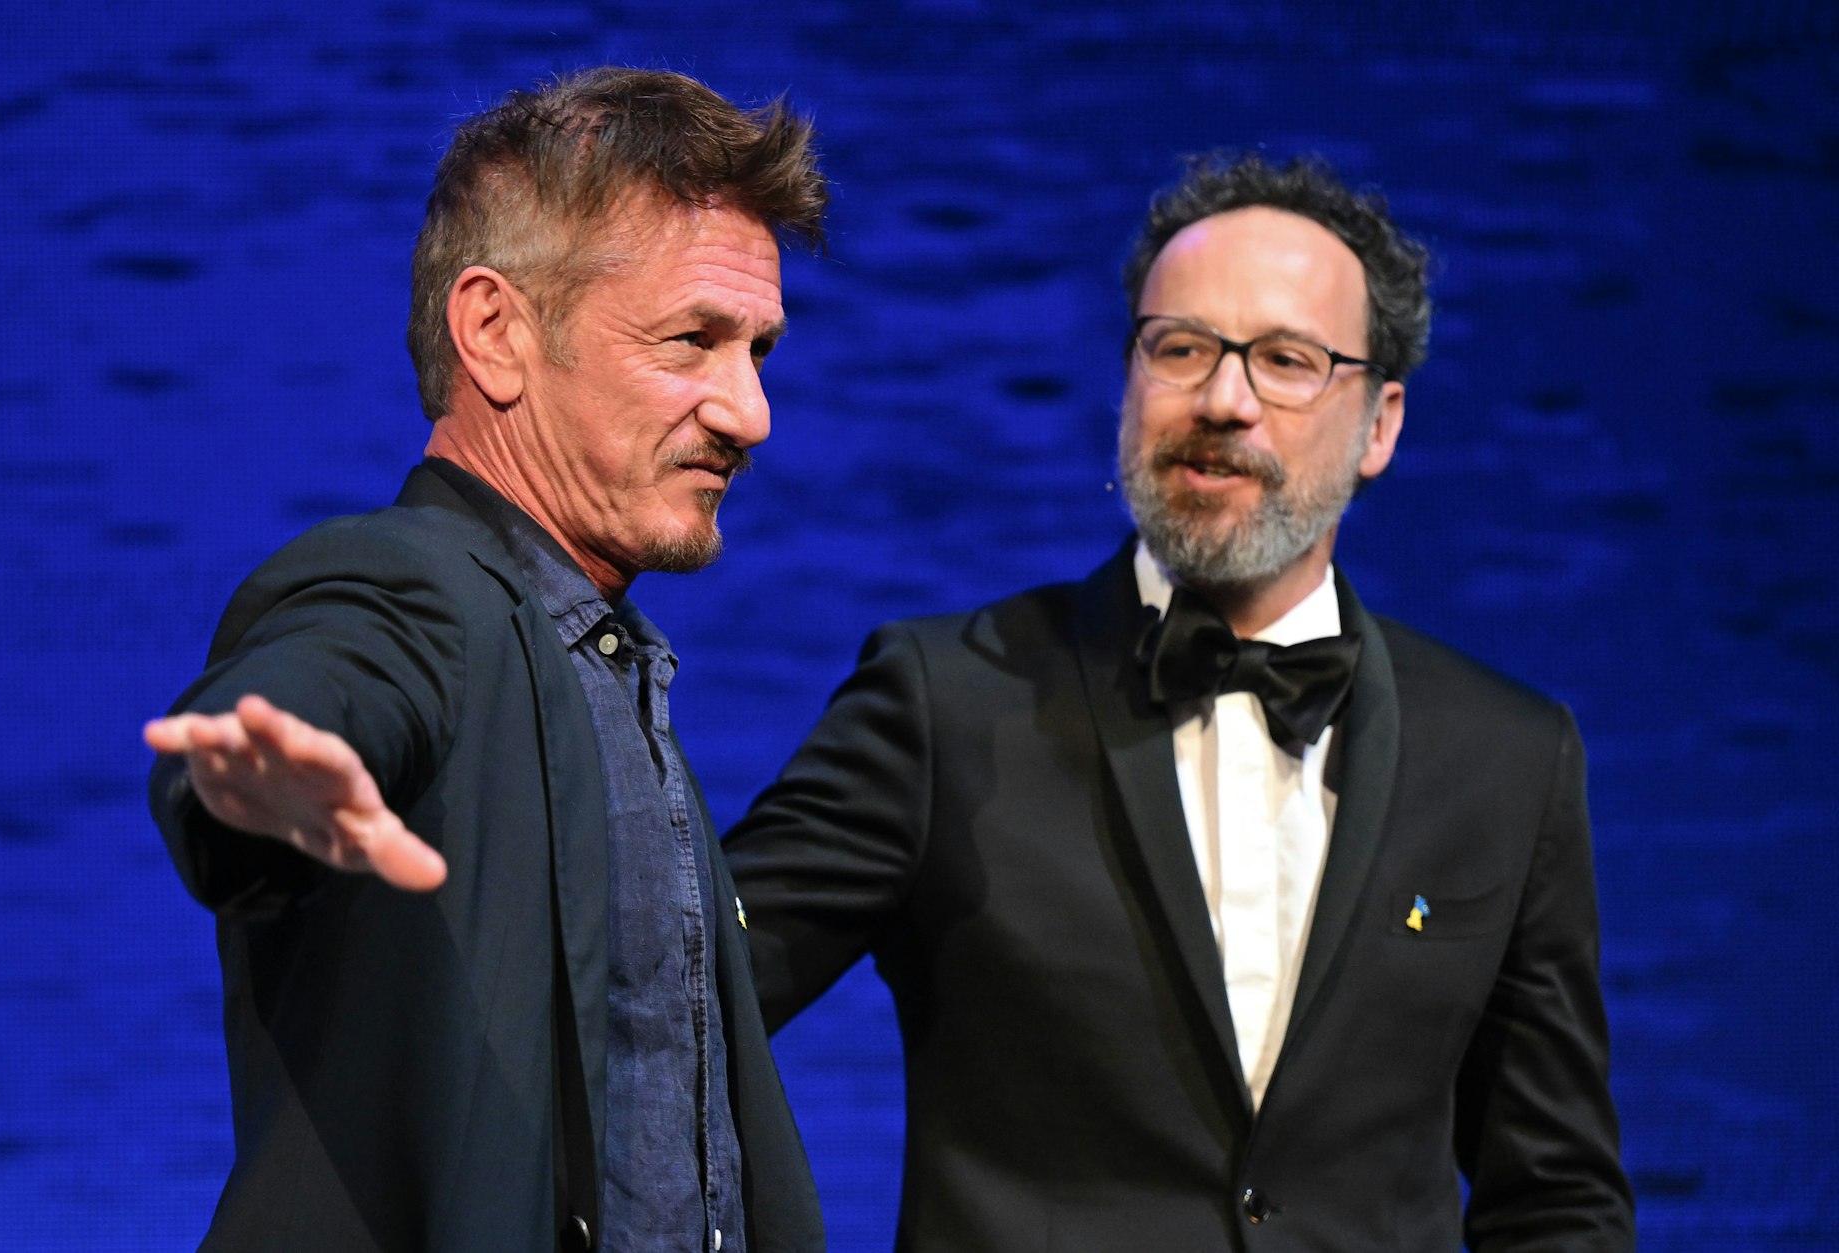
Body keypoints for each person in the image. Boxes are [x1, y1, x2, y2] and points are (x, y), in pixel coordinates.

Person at [725, 154, 1635, 1250]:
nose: (1222, 399)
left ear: (1381, 424)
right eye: (1180, 347)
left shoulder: (1505, 756)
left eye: (1286, 360)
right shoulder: (944, 701)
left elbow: (1554, 1195)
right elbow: (680, 987)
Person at [145, 68, 827, 1253]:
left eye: (758, 349)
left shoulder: (601, 658)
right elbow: (333, 668)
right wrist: (263, 772)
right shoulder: (413, 584)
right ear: (496, 331)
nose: (748, 410)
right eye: (692, 342)